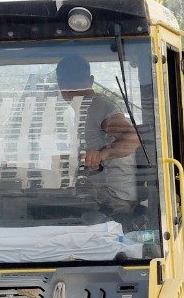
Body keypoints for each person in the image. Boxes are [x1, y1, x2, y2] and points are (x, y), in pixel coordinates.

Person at [55, 54, 141, 206]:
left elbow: (133, 138)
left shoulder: (99, 106)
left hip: (115, 199)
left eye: (76, 83)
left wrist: (102, 154)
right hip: (96, 194)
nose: (72, 90)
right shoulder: (77, 109)